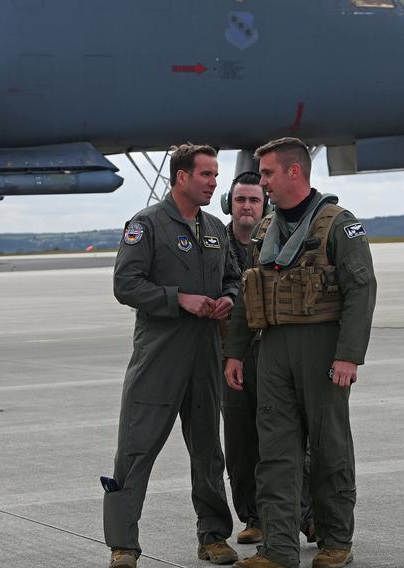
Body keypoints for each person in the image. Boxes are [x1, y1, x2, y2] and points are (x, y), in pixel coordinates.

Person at [224, 138, 377, 568]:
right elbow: (247, 291)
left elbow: (361, 290)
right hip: (271, 348)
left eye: (268, 173)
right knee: (275, 450)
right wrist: (235, 353)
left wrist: (349, 355)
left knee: (329, 446)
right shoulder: (266, 231)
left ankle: (335, 540)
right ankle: (278, 548)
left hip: (322, 348)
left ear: (294, 172)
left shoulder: (337, 224)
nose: (263, 183)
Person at [103, 144, 241, 568]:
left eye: (216, 175)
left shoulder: (216, 227)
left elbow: (233, 277)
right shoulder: (146, 226)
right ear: (181, 177)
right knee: (137, 447)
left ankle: (214, 536)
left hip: (205, 356)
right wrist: (176, 298)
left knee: (207, 451)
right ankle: (123, 545)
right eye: (206, 175)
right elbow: (125, 284)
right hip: (159, 358)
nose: (213, 183)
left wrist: (228, 299)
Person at [220, 172, 316, 547]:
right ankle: (254, 517)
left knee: (287, 439)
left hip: (275, 353)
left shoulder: (280, 238)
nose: (246, 206)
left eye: (253, 200)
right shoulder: (215, 241)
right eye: (240, 199)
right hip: (232, 353)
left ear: (265, 205)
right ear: (230, 205)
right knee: (241, 441)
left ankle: (307, 516)